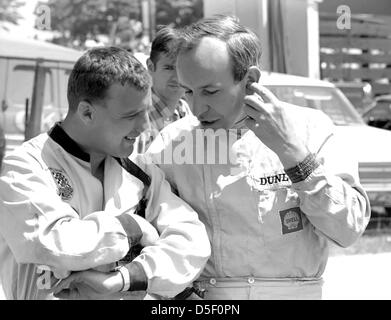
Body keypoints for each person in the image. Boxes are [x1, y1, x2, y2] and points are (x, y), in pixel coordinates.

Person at [54, 15, 370, 300]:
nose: (196, 108)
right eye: (188, 91)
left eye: (210, 91)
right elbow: (142, 231)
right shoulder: (172, 144)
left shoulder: (311, 130)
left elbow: (347, 229)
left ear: (250, 80)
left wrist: (292, 153)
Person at [0, 46, 210, 300]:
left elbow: (191, 241)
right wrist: (132, 227)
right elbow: (52, 244)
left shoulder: (140, 171)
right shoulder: (26, 166)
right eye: (131, 115)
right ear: (87, 112)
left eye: (145, 113)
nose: (144, 127)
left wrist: (126, 277)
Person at [146, 25, 192, 133]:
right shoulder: (138, 117)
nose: (177, 76)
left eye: (183, 68)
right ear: (150, 67)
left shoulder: (188, 110)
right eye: (169, 68)